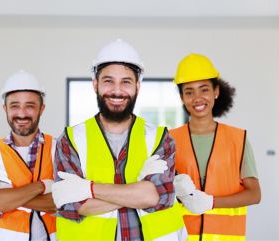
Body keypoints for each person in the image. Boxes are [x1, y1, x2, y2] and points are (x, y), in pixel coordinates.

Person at [51, 39, 186, 241]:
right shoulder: (70, 140)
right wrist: (137, 189)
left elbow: (156, 197)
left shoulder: (160, 138)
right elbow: (71, 205)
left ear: (137, 87)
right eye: (108, 81)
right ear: (95, 84)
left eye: (126, 82)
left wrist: (89, 189)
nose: (117, 90)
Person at [170, 53, 261, 241]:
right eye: (189, 92)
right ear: (182, 97)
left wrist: (210, 202)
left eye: (204, 89)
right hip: (180, 236)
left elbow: (254, 194)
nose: (197, 98)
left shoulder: (238, 138)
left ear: (216, 91)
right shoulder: (169, 140)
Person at [0, 70, 57, 241]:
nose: (22, 113)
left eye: (30, 106)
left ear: (41, 109)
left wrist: (8, 198)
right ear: (4, 108)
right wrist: (42, 186)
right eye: (14, 106)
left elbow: (64, 201)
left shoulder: (58, 149)